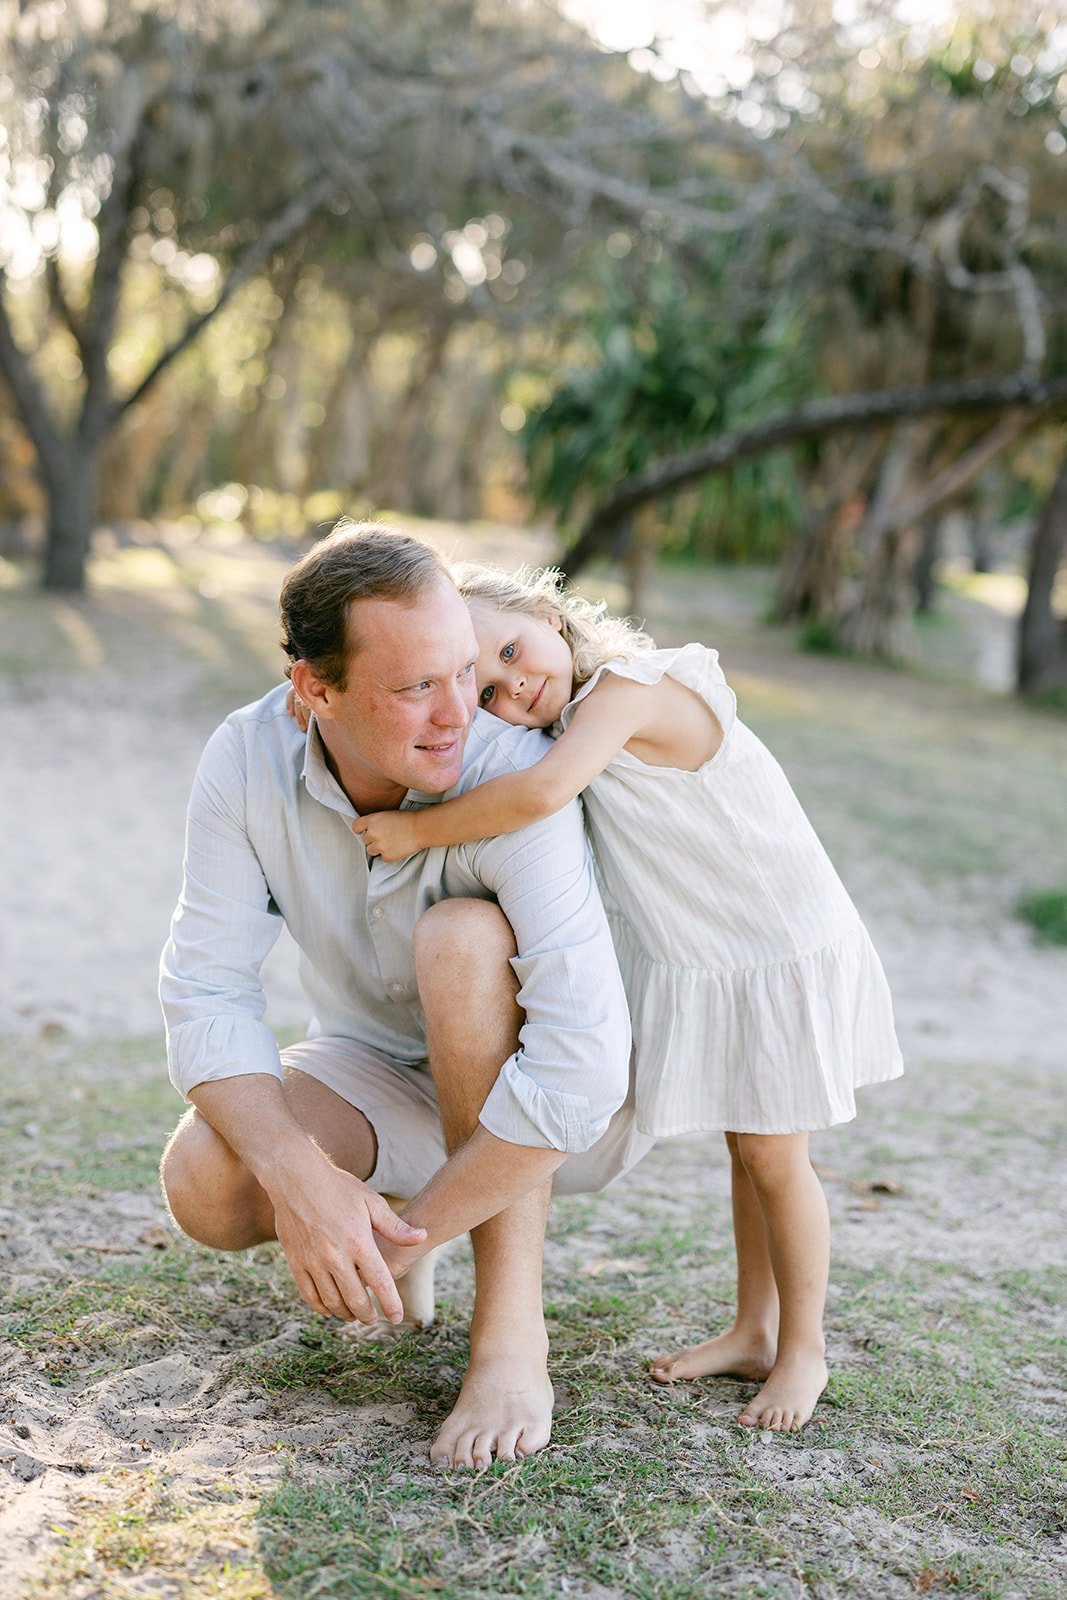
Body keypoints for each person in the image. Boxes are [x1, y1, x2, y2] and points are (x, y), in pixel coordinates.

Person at [344, 560, 904, 1433]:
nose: (511, 686)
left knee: (777, 1159)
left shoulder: (631, 689)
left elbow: (535, 794)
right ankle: (755, 1328)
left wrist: (414, 830)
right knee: (745, 1148)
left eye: (511, 652)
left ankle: (804, 1351)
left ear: (544, 610)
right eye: (483, 688)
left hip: (770, 951)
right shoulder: (572, 713)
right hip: (708, 955)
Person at [158, 524, 653, 1471]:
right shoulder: (246, 756)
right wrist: (302, 1178)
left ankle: (509, 1335)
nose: (457, 712)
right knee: (208, 1187)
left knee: (460, 940)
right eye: (412, 686)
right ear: (316, 689)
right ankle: (390, 1204)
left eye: (461, 670)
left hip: (550, 1108)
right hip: (371, 1065)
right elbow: (205, 988)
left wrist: (399, 1238)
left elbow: (581, 1061)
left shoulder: (510, 774)